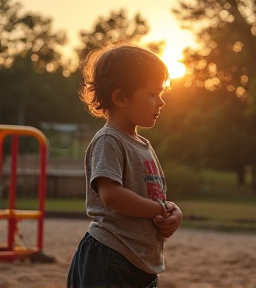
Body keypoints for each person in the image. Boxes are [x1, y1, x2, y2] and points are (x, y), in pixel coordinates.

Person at [67, 45, 183, 288]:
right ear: (120, 97)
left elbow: (152, 195)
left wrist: (171, 211)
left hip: (141, 261)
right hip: (110, 256)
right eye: (153, 94)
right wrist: (157, 209)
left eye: (161, 93)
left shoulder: (143, 145)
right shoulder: (109, 140)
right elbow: (111, 196)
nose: (160, 102)